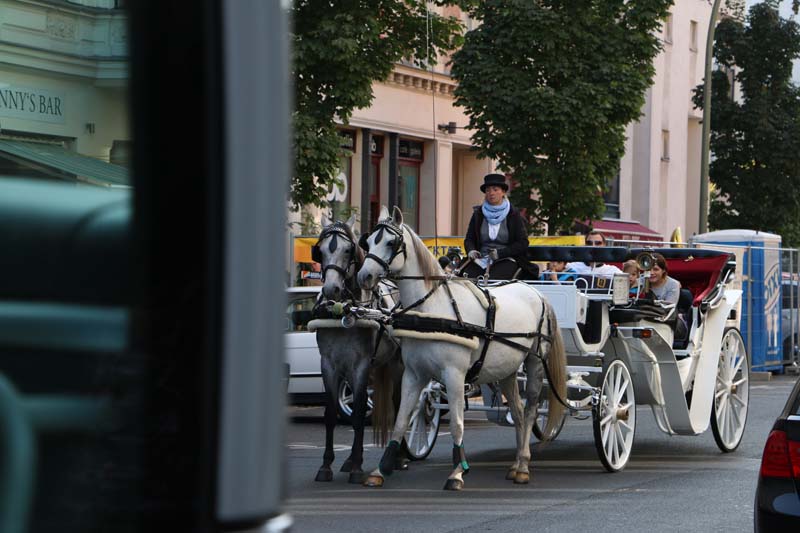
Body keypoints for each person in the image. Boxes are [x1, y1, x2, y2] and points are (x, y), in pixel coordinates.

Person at [462, 174, 538, 280]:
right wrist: (471, 250)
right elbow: (469, 239)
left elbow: (523, 243)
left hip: (506, 259)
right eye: (488, 190)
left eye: (495, 189)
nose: (491, 193)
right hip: (481, 259)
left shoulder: (513, 214)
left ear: (503, 192)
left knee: (492, 281)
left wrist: (500, 253)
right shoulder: (478, 214)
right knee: (464, 281)